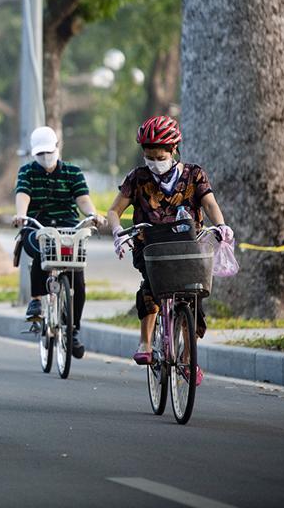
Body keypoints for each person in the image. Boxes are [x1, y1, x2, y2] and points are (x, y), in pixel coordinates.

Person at [105, 116, 233, 386]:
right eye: (148, 156)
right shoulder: (137, 178)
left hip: (188, 246)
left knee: (194, 297)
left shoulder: (194, 174)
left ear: (173, 150)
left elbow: (209, 204)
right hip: (149, 244)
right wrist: (117, 232)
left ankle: (187, 357)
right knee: (151, 286)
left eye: (159, 156)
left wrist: (221, 226)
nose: (153, 161)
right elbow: (114, 211)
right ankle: (145, 343)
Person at [11, 126, 104, 359]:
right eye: (40, 153)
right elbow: (23, 194)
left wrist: (92, 214)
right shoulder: (27, 172)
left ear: (57, 148)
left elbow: (82, 198)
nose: (45, 157)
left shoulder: (72, 172)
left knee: (78, 278)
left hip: (67, 226)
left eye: (48, 152)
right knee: (42, 251)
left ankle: (73, 330)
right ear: (34, 153)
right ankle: (35, 301)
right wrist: (21, 215)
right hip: (37, 225)